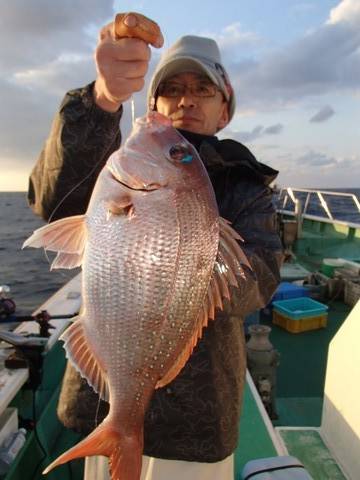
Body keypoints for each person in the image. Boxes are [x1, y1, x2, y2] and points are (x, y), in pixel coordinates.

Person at [27, 15, 283, 480]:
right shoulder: (115, 160)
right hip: (102, 400)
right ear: (153, 104)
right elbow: (53, 200)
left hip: (196, 426)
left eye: (203, 89)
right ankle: (120, 423)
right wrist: (102, 100)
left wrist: (189, 258)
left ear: (225, 110)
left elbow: (258, 285)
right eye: (172, 87)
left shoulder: (249, 187)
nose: (186, 97)